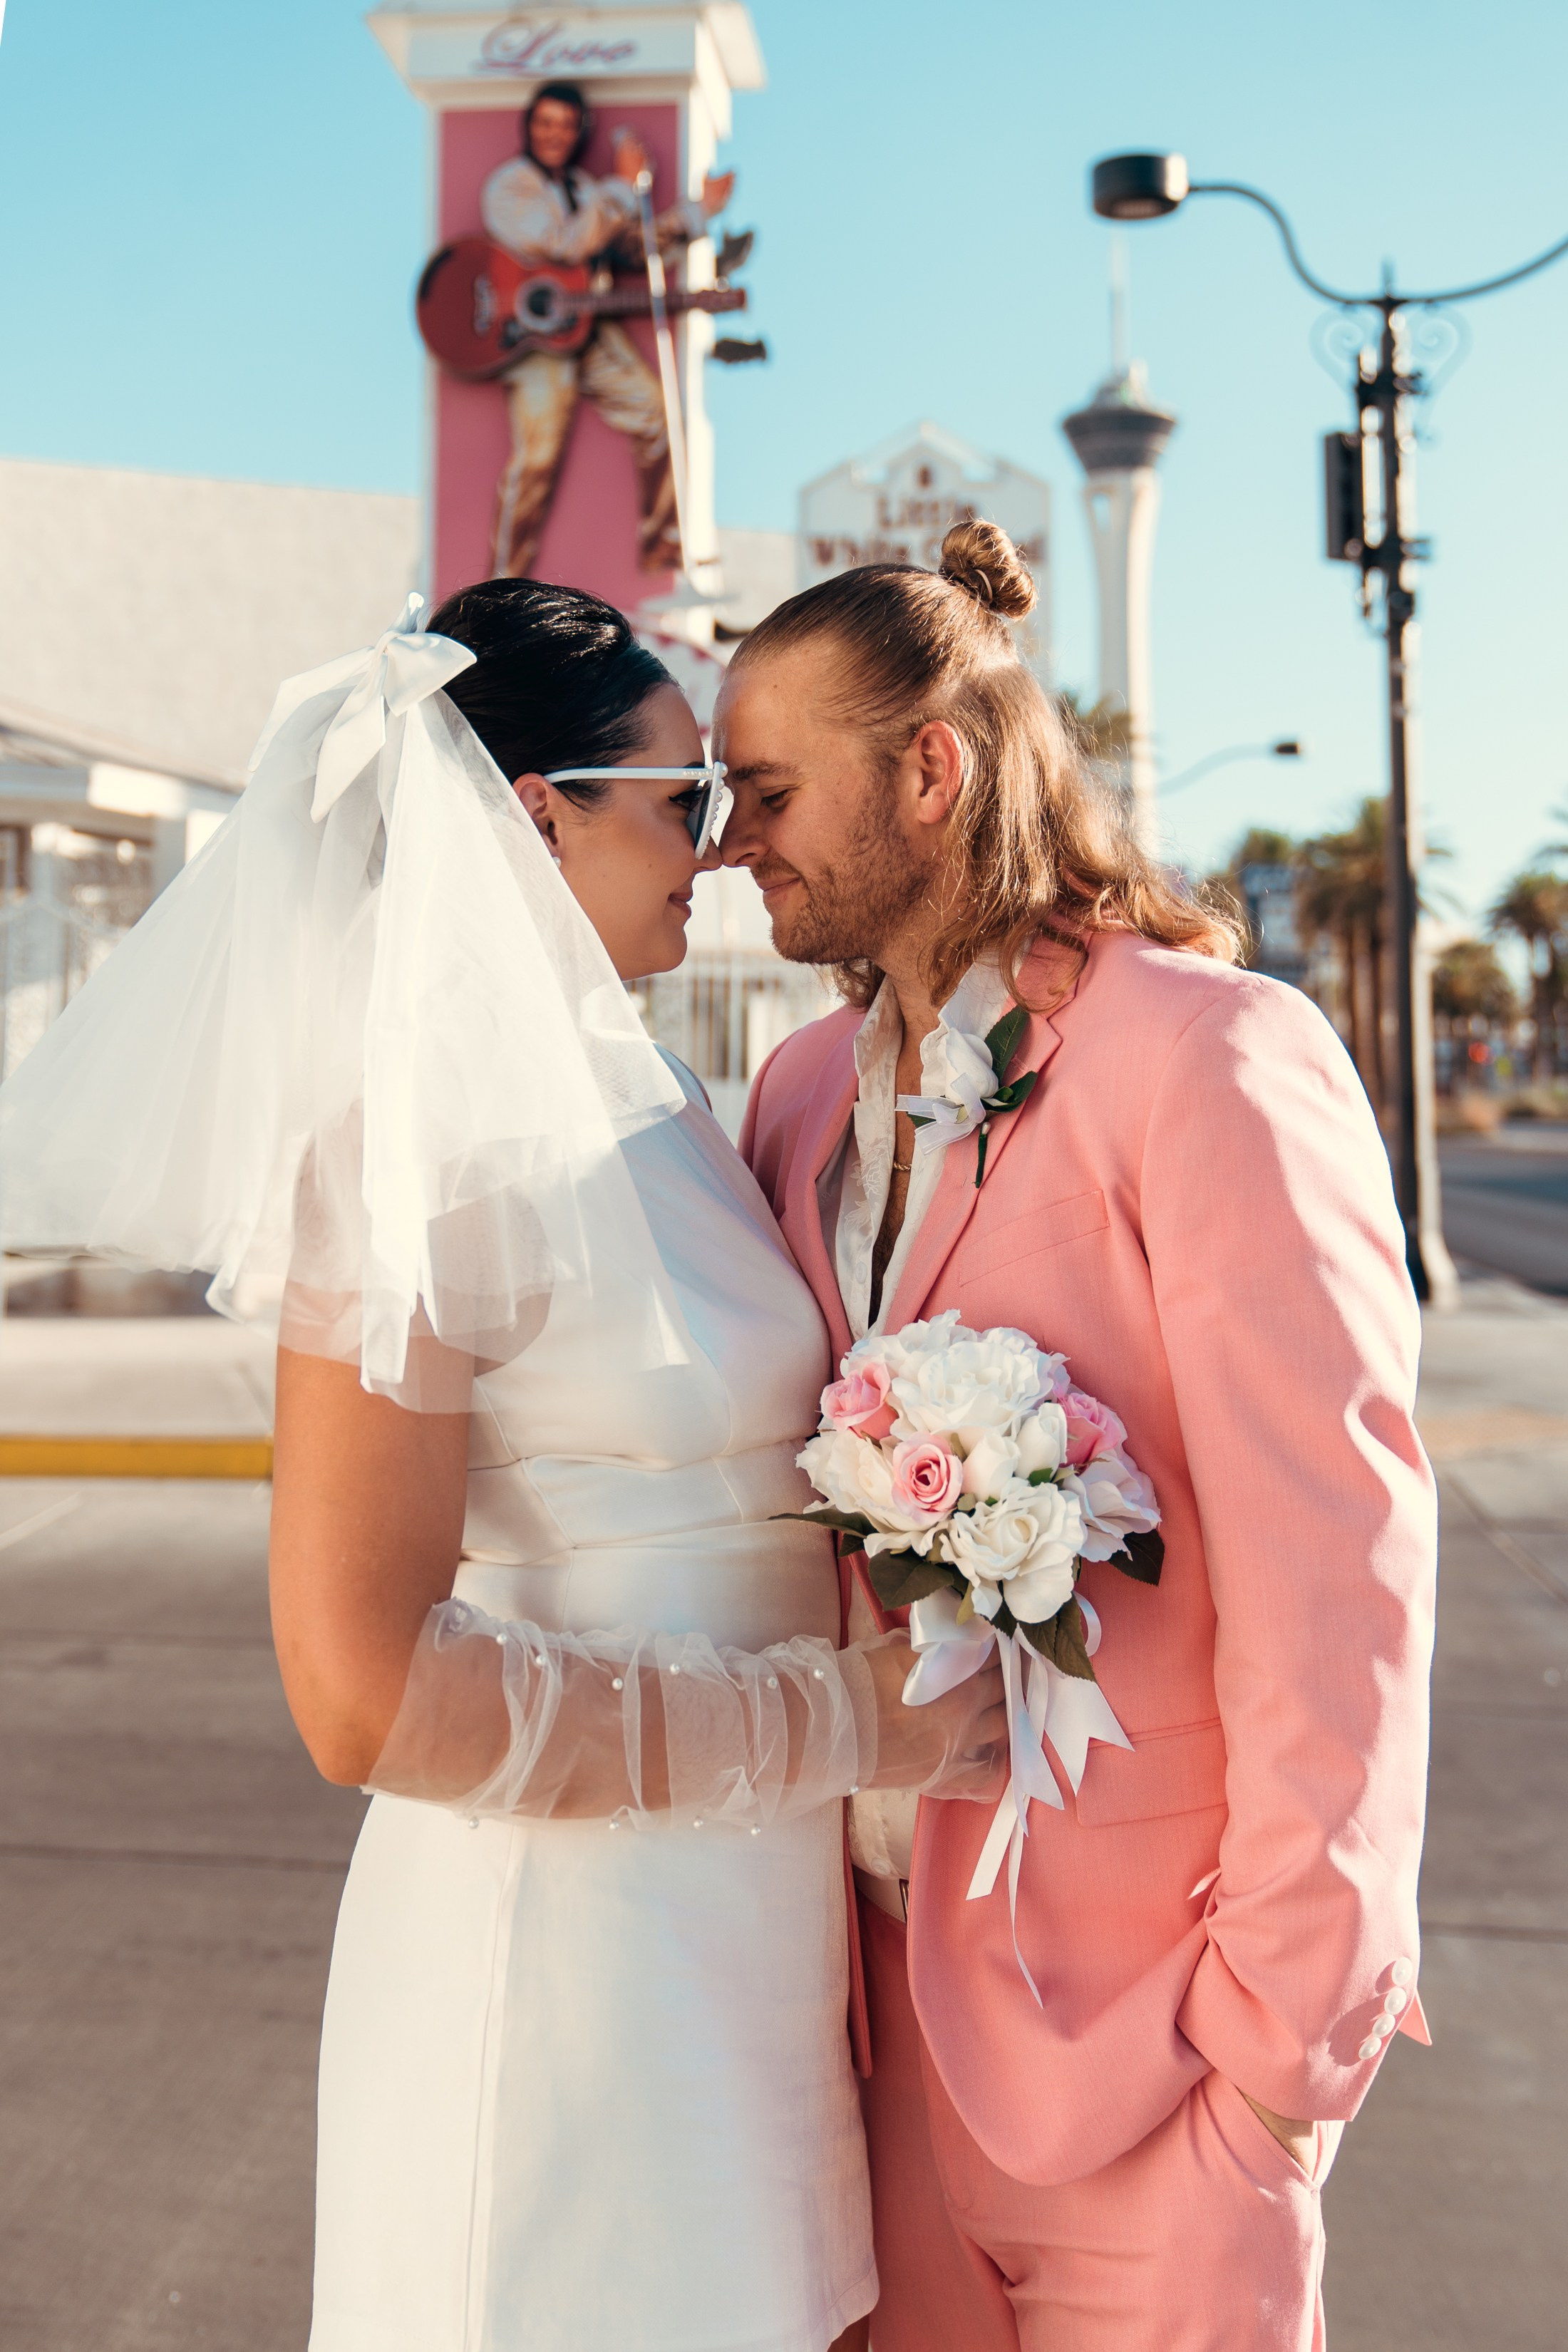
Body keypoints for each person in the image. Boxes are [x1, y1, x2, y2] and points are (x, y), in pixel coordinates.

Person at [0, 579, 1009, 2352]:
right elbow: (361, 1691)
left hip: (740, 1929)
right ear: (538, 810)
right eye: (681, 799)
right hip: (567, 1956)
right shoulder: (413, 1143)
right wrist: (846, 1724)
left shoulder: (657, 1102)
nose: (714, 849)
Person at [715, 521, 1438, 2352]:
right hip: (857, 2055)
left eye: (771, 787)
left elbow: (1336, 1579)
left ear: (931, 773)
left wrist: (1275, 2073)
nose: (733, 840)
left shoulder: (1207, 1058)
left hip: (1149, 2067)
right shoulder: (793, 1097)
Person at [482, 81, 734, 579]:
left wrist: (697, 212)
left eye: (565, 125)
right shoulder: (510, 186)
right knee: (536, 462)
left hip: (585, 327)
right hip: (534, 338)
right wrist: (620, 185)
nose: (554, 134)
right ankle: (500, 588)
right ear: (529, 127)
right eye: (544, 122)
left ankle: (663, 549)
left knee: (658, 413)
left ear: (580, 132)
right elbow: (564, 245)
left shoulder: (583, 187)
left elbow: (630, 248)